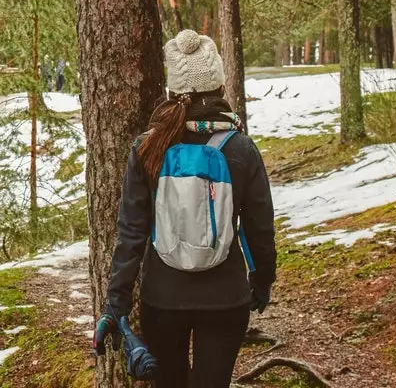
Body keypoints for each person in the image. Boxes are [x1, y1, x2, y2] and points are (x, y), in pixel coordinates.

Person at [93, 29, 277, 388]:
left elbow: (130, 232)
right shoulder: (241, 149)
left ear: (171, 93)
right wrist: (262, 281)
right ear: (220, 88)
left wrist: (115, 304)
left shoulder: (147, 149)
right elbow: (259, 228)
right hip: (225, 300)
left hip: (163, 300)